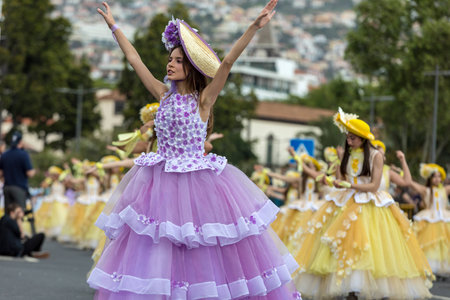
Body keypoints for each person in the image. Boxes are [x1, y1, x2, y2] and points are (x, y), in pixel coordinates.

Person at [88, 1, 300, 299]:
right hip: (159, 184)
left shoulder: (204, 100)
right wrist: (114, 26)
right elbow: (134, 59)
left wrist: (254, 26)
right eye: (170, 59)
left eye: (177, 60)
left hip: (197, 186)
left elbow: (226, 64)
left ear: (190, 67)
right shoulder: (162, 94)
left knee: (200, 250)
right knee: (159, 249)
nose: (170, 64)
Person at [291, 108, 433, 299]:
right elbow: (341, 177)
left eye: (353, 138)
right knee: (341, 243)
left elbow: (374, 186)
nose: (349, 141)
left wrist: (349, 184)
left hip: (370, 204)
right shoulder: (348, 154)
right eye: (348, 137)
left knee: (373, 246)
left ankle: (368, 289)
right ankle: (351, 289)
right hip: (346, 200)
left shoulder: (376, 156)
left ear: (362, 138)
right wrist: (334, 178)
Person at [407, 163, 450, 277]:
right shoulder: (425, 190)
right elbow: (410, 182)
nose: (437, 179)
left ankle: (443, 267)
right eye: (434, 176)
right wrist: (401, 171)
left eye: (439, 176)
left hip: (443, 219)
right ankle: (429, 266)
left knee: (443, 245)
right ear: (430, 178)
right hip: (429, 219)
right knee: (429, 245)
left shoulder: (445, 190)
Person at [0, 131, 35, 210]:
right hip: (19, 187)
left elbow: (0, 173)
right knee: (19, 212)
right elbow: (30, 173)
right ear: (20, 141)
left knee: (9, 213)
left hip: (7, 187)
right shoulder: (23, 154)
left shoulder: (5, 155)